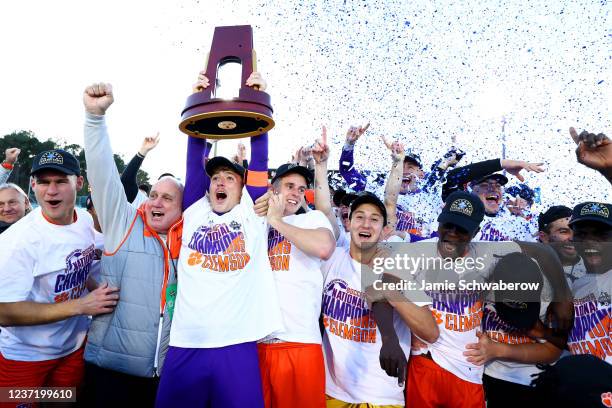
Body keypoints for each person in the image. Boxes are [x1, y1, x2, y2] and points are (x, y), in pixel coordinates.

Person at [155, 71, 283, 408]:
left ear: (242, 188)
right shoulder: (195, 209)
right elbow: (193, 158)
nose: (220, 183)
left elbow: (261, 159)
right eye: (216, 178)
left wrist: (258, 100)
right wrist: (199, 100)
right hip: (186, 342)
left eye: (229, 177)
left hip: (236, 343)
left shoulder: (252, 213)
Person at [312, 131, 437, 407]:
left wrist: (397, 162)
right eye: (359, 217)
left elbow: (430, 332)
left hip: (381, 397)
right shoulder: (334, 257)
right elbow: (323, 210)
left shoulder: (399, 264)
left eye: (374, 219)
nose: (365, 224)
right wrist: (321, 167)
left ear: (384, 229)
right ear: (349, 223)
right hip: (331, 392)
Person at [82, 83, 184, 406]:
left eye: (167, 198)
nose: (156, 201)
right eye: (153, 194)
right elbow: (103, 176)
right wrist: (95, 119)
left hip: (161, 379)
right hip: (111, 374)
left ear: (182, 208)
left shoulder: (191, 245)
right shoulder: (123, 223)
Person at [0, 149, 119, 404]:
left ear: (79, 182)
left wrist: (95, 285)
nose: (51, 191)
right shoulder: (16, 242)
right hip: (25, 357)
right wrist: (80, 306)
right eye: (43, 182)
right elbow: (3, 312)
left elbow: (77, 259)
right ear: (33, 186)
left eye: (60, 181)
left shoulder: (84, 220)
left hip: (71, 351)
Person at [259, 161, 335, 408]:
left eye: (301, 189)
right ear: (274, 189)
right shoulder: (256, 221)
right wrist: (266, 216)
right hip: (257, 341)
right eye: (290, 186)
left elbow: (324, 248)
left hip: (299, 341)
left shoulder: (312, 218)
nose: (295, 193)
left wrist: (277, 221)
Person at [566, 201, 612, 364]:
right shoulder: (575, 287)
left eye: (601, 234)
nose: (590, 241)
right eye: (582, 234)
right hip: (582, 385)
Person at [538, 205, 586, 285]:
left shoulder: (597, 267)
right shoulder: (531, 271)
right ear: (544, 237)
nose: (572, 238)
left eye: (576, 231)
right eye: (564, 231)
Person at [120, 132, 160, 208]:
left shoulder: (182, 214)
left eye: (167, 197)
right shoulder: (145, 204)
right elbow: (126, 181)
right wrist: (143, 151)